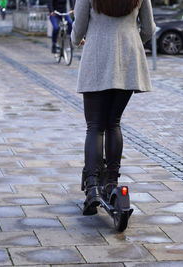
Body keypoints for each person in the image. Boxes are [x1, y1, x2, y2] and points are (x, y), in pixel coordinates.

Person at [71, 0, 155, 215]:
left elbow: (78, 28)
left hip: (97, 57)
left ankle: (92, 187)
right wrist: (132, 40)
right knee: (113, 123)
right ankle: (110, 181)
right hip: (128, 59)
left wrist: (76, 40)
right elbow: (148, 29)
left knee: (95, 126)